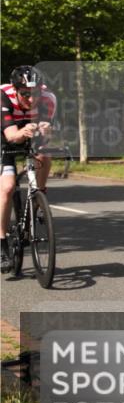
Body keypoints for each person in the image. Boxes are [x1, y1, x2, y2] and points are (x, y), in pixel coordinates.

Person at [1, 66, 57, 273]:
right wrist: (22, 132)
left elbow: (45, 138)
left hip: (28, 132)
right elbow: (11, 136)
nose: (31, 99)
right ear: (15, 90)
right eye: (25, 94)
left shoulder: (48, 99)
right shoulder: (3, 96)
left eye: (35, 94)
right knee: (7, 188)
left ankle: (38, 198)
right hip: (4, 137)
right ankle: (1, 244)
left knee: (45, 154)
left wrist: (46, 131)